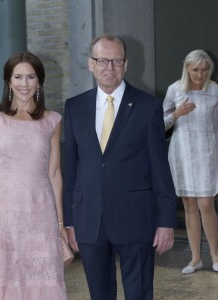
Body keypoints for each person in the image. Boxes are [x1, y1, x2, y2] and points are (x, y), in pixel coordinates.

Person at [63, 33, 177, 300]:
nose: (109, 67)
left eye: (116, 61)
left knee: (138, 293)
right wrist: (70, 221)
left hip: (136, 219)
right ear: (90, 64)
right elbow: (71, 168)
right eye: (102, 60)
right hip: (89, 219)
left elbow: (161, 169)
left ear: (126, 64)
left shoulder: (148, 107)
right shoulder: (74, 107)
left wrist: (166, 222)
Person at [0, 52, 67, 299]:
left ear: (39, 81)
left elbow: (55, 173)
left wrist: (60, 222)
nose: (24, 84)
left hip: (41, 211)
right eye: (18, 77)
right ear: (8, 81)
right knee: (2, 274)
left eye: (30, 77)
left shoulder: (52, 120)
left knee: (43, 276)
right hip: (2, 213)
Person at [163, 49, 218, 274]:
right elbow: (160, 123)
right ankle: (195, 259)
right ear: (187, 68)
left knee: (206, 203)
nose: (200, 74)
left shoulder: (215, 90)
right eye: (195, 69)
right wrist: (176, 114)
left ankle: (215, 255)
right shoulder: (175, 90)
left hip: (207, 152)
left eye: (205, 70)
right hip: (182, 153)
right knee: (189, 205)